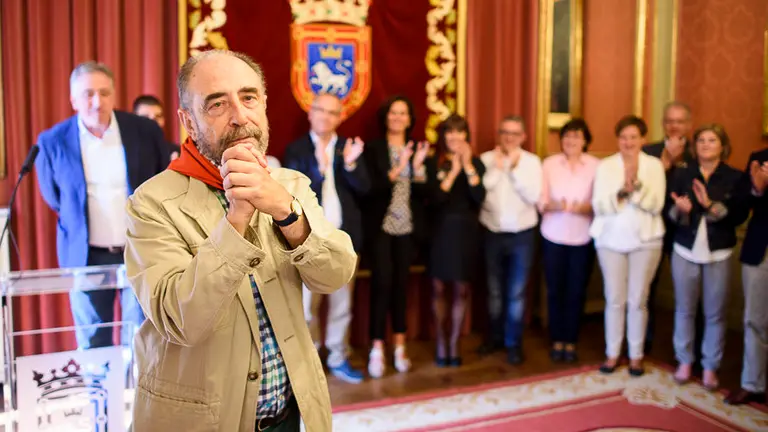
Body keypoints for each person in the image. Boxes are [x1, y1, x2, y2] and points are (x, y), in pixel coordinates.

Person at [124, 50, 357, 431]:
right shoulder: (150, 204)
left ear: (264, 104)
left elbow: (336, 274)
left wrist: (287, 211)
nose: (240, 116)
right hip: (205, 421)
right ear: (188, 121)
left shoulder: (291, 185)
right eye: (217, 104)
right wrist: (237, 218)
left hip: (291, 414)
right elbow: (180, 320)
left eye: (249, 98)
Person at [35, 61, 168, 350]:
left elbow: (161, 180)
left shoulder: (144, 131)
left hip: (139, 251)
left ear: (114, 94)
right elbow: (56, 197)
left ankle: (137, 396)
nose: (97, 102)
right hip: (87, 256)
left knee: (142, 335)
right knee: (94, 337)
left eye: (105, 93)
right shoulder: (52, 142)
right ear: (73, 99)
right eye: (88, 94)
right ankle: (99, 396)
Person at [283, 92, 370, 383]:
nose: (326, 117)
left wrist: (350, 166)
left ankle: (337, 356)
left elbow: (366, 191)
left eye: (333, 112)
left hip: (343, 240)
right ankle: (309, 361)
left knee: (342, 304)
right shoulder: (296, 150)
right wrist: (320, 170)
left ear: (340, 117)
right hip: (307, 240)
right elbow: (292, 195)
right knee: (308, 306)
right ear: (311, 113)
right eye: (320, 110)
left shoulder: (350, 147)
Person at [667, 124, 749, 390]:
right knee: (684, 309)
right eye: (700, 140)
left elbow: (738, 216)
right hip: (685, 249)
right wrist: (681, 210)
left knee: (715, 314)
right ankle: (684, 361)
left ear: (722, 146)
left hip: (719, 251)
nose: (705, 144)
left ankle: (710, 367)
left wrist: (709, 206)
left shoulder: (734, 177)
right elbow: (670, 215)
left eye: (711, 140)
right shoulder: (683, 174)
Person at [591, 115, 665, 377]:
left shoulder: (654, 166)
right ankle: (612, 353)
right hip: (610, 239)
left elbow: (656, 205)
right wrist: (621, 192)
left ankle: (635, 355)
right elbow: (598, 205)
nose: (628, 142)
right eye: (624, 137)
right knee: (614, 299)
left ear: (643, 139)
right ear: (618, 139)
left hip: (646, 241)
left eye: (634, 137)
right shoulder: (605, 166)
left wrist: (637, 187)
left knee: (638, 300)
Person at [362, 95, 430, 378]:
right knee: (382, 284)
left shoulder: (416, 149)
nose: (398, 117)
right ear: (386, 117)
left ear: (410, 119)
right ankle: (377, 347)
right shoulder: (374, 149)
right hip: (381, 228)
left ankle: (399, 346)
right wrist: (400, 167)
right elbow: (370, 189)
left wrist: (420, 168)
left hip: (408, 229)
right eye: (393, 113)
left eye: (403, 113)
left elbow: (425, 196)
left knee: (401, 286)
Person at [478, 115, 542, 365]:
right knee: (493, 291)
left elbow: (533, 196)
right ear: (498, 134)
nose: (509, 138)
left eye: (514, 133)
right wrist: (497, 168)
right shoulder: (485, 159)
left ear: (523, 137)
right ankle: (494, 338)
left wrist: (513, 170)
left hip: (522, 235)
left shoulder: (532, 162)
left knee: (516, 293)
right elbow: (480, 194)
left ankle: (513, 343)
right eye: (504, 132)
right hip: (491, 232)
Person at [426, 114, 485, 367]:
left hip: (465, 232)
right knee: (438, 287)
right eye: (450, 132)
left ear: (466, 136)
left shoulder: (478, 164)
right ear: (443, 136)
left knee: (462, 289)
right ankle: (440, 339)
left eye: (460, 132)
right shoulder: (432, 162)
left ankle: (454, 341)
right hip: (439, 230)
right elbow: (434, 201)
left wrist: (468, 166)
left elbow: (479, 197)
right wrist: (454, 172)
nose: (455, 137)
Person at [538, 118, 598, 363]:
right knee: (555, 290)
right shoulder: (550, 164)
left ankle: (571, 340)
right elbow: (540, 201)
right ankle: (557, 339)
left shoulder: (597, 165)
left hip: (583, 236)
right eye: (567, 136)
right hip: (553, 234)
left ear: (585, 141)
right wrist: (553, 205)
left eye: (576, 136)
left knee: (576, 290)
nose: (571, 141)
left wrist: (586, 207)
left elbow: (602, 202)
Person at [642, 101, 693, 353]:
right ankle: (645, 340)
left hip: (686, 231)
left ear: (688, 124)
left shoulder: (699, 151)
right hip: (653, 228)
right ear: (663, 124)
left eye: (680, 121)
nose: (674, 126)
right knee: (647, 287)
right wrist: (667, 160)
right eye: (669, 121)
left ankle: (686, 350)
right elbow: (643, 189)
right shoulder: (649, 151)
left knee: (688, 293)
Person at [725, 148, 768, 405]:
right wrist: (756, 190)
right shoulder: (759, 158)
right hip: (759, 250)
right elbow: (737, 211)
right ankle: (753, 383)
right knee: (755, 319)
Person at [133, 94, 181, 160]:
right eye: (145, 117)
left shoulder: (178, 153)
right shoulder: (124, 152)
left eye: (158, 117)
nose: (153, 123)